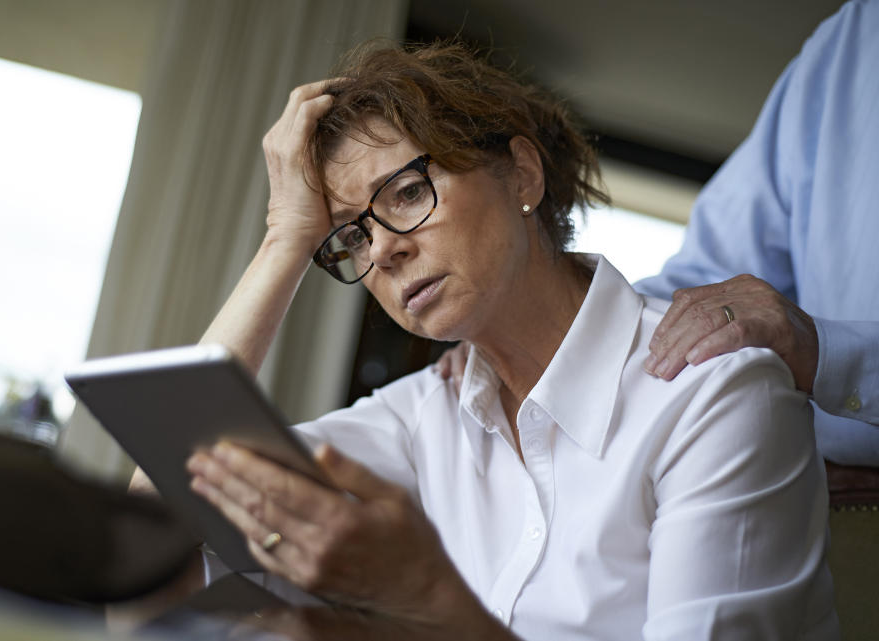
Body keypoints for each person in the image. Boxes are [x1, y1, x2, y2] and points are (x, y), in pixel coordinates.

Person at [180, 42, 837, 639]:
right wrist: (285, 236)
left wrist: (430, 599)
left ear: (522, 174)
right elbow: (169, 511)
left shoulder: (715, 392)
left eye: (407, 193)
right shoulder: (418, 418)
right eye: (353, 235)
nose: (383, 249)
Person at [633, 0, 879, 467]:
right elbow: (703, 284)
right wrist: (536, 331)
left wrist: (825, 352)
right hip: (826, 508)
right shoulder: (852, 37)